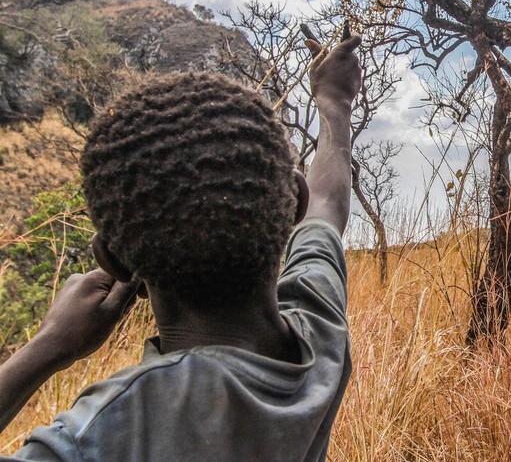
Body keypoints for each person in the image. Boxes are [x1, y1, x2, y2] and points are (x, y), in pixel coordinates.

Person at [0, 34, 362, 461]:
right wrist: (335, 101)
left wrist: (47, 347)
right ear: (292, 202)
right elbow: (327, 205)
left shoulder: (101, 433)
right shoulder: (319, 335)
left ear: (113, 259)